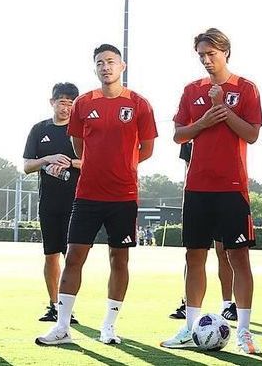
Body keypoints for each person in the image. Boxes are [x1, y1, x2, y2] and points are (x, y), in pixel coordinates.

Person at [35, 43, 157, 345]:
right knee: (74, 256)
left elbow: (148, 149)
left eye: (111, 61)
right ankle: (62, 326)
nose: (106, 67)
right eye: (100, 62)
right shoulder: (83, 103)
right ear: (95, 68)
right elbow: (78, 146)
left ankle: (109, 325)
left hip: (124, 196)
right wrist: (98, 165)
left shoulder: (140, 104)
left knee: (119, 259)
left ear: (122, 66)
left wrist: (121, 165)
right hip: (87, 194)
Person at [160, 28, 262, 354]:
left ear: (225, 52)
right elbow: (178, 135)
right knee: (194, 256)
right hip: (197, 187)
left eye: (211, 54)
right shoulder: (191, 91)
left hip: (232, 187)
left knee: (238, 257)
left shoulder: (246, 89)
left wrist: (225, 109)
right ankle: (190, 329)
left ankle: (244, 331)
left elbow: (252, 134)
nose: (206, 60)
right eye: (202, 55)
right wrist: (203, 122)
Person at [23, 82, 82, 324]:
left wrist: (70, 162)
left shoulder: (81, 131)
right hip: (48, 202)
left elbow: (92, 163)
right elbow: (27, 165)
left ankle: (68, 308)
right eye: (62, 102)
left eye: (70, 103)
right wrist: (47, 159)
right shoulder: (39, 130)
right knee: (50, 255)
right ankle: (53, 304)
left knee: (73, 258)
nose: (66, 107)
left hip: (78, 203)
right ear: (52, 103)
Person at [169, 141, 239, 322]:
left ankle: (227, 305)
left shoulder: (225, 118)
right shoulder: (190, 130)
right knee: (193, 254)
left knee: (224, 252)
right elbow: (187, 165)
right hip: (198, 195)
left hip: (225, 192)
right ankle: (188, 304)